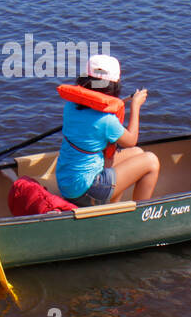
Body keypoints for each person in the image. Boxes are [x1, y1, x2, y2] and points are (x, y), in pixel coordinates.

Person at [55, 54, 159, 206]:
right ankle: (139, 215)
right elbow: (131, 140)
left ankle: (111, 207)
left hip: (67, 182)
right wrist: (135, 106)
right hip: (85, 191)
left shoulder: (70, 106)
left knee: (137, 153)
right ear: (113, 86)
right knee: (151, 161)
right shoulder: (106, 121)